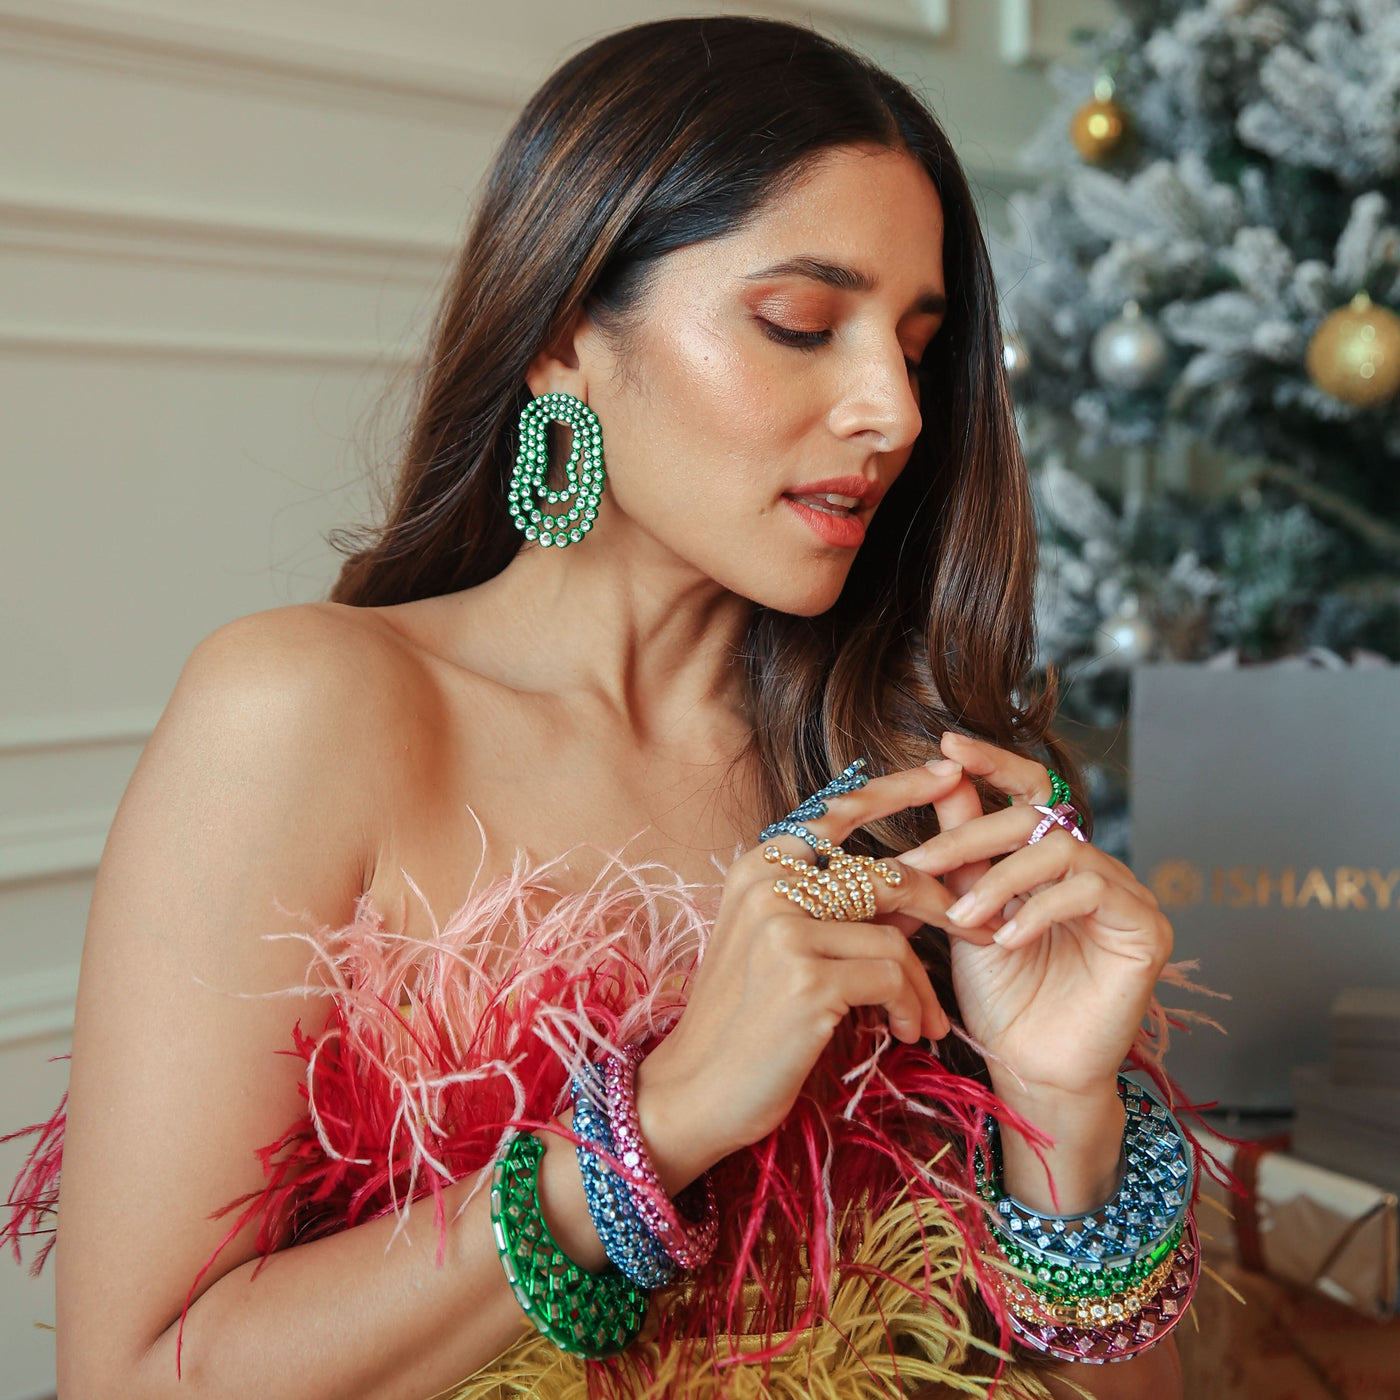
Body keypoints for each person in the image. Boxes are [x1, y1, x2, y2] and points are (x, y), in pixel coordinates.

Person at [6, 16, 1195, 1399]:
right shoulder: (307, 713)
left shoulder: (923, 783)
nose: (895, 411)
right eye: (801, 325)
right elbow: (136, 1377)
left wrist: (1062, 1114)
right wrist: (659, 1127)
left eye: (918, 348)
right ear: (565, 334)